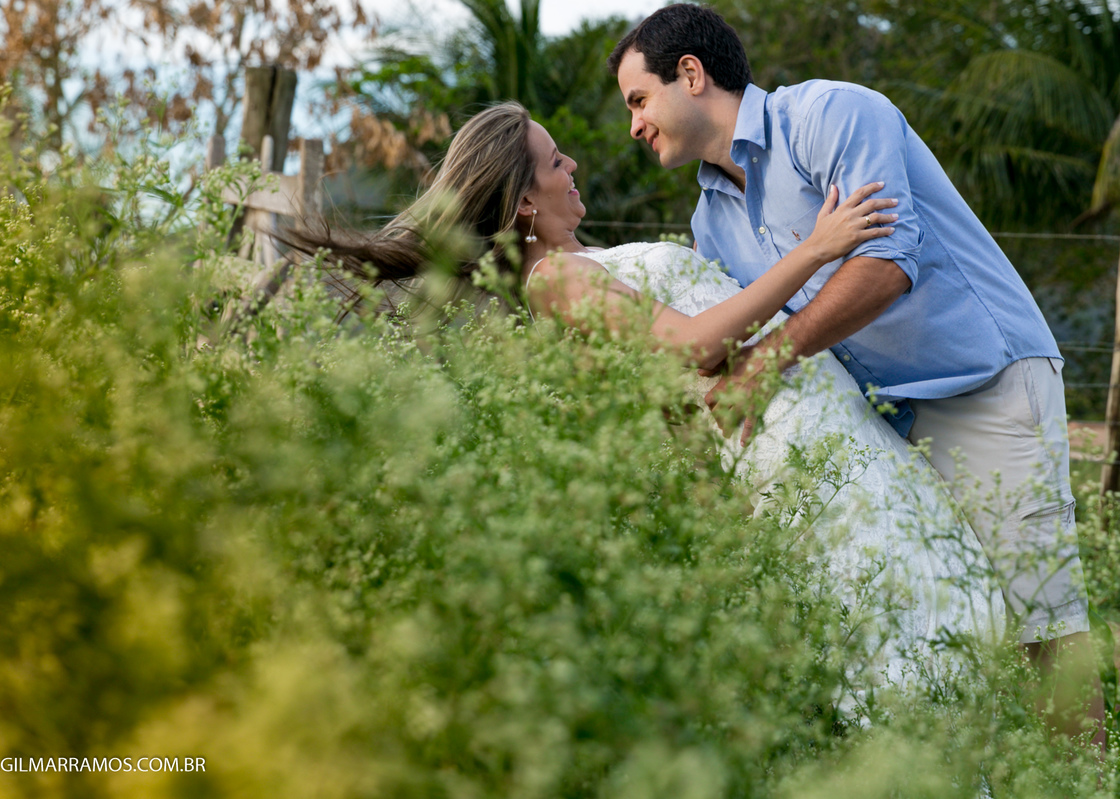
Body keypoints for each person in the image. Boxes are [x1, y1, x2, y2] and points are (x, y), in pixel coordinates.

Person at [289, 101, 1004, 695]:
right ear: (525, 200)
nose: (573, 166)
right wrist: (815, 250)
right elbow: (690, 347)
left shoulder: (577, 266)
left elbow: (673, 405)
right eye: (555, 160)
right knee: (897, 631)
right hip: (784, 432)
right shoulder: (550, 281)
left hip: (806, 422)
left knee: (916, 606)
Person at [607, 3, 1104, 748]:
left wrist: (767, 363)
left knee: (1042, 624)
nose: (635, 126)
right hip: (885, 422)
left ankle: (1087, 785)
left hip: (982, 387)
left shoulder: (831, 114)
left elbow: (885, 269)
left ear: (690, 73)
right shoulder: (711, 222)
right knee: (956, 622)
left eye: (638, 100)